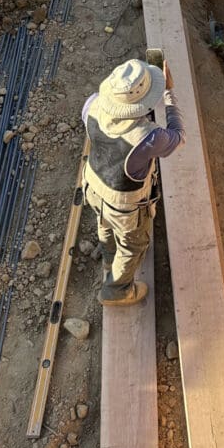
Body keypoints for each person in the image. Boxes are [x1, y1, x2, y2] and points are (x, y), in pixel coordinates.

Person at [81, 58, 185, 307]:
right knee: (132, 245)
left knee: (103, 222)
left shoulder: (92, 105)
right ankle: (117, 290)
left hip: (94, 186)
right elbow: (178, 136)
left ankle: (108, 256)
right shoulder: (148, 137)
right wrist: (169, 93)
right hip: (123, 204)